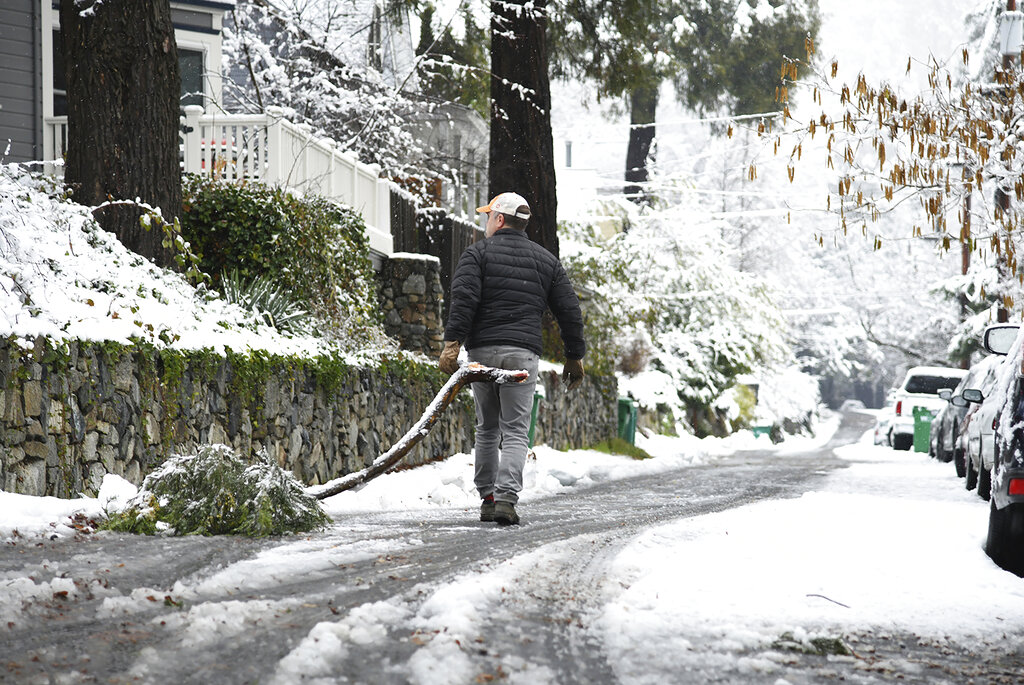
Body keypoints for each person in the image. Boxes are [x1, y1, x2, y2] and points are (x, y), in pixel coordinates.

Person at [439, 192, 586, 526]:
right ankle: (506, 500)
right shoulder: (546, 260)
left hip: (482, 353)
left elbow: (464, 299)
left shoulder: (477, 254)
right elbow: (569, 310)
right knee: (516, 431)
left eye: (489, 216)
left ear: (500, 219)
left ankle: (488, 498)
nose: (487, 222)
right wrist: (574, 356)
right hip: (523, 354)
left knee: (488, 428)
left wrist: (452, 344)